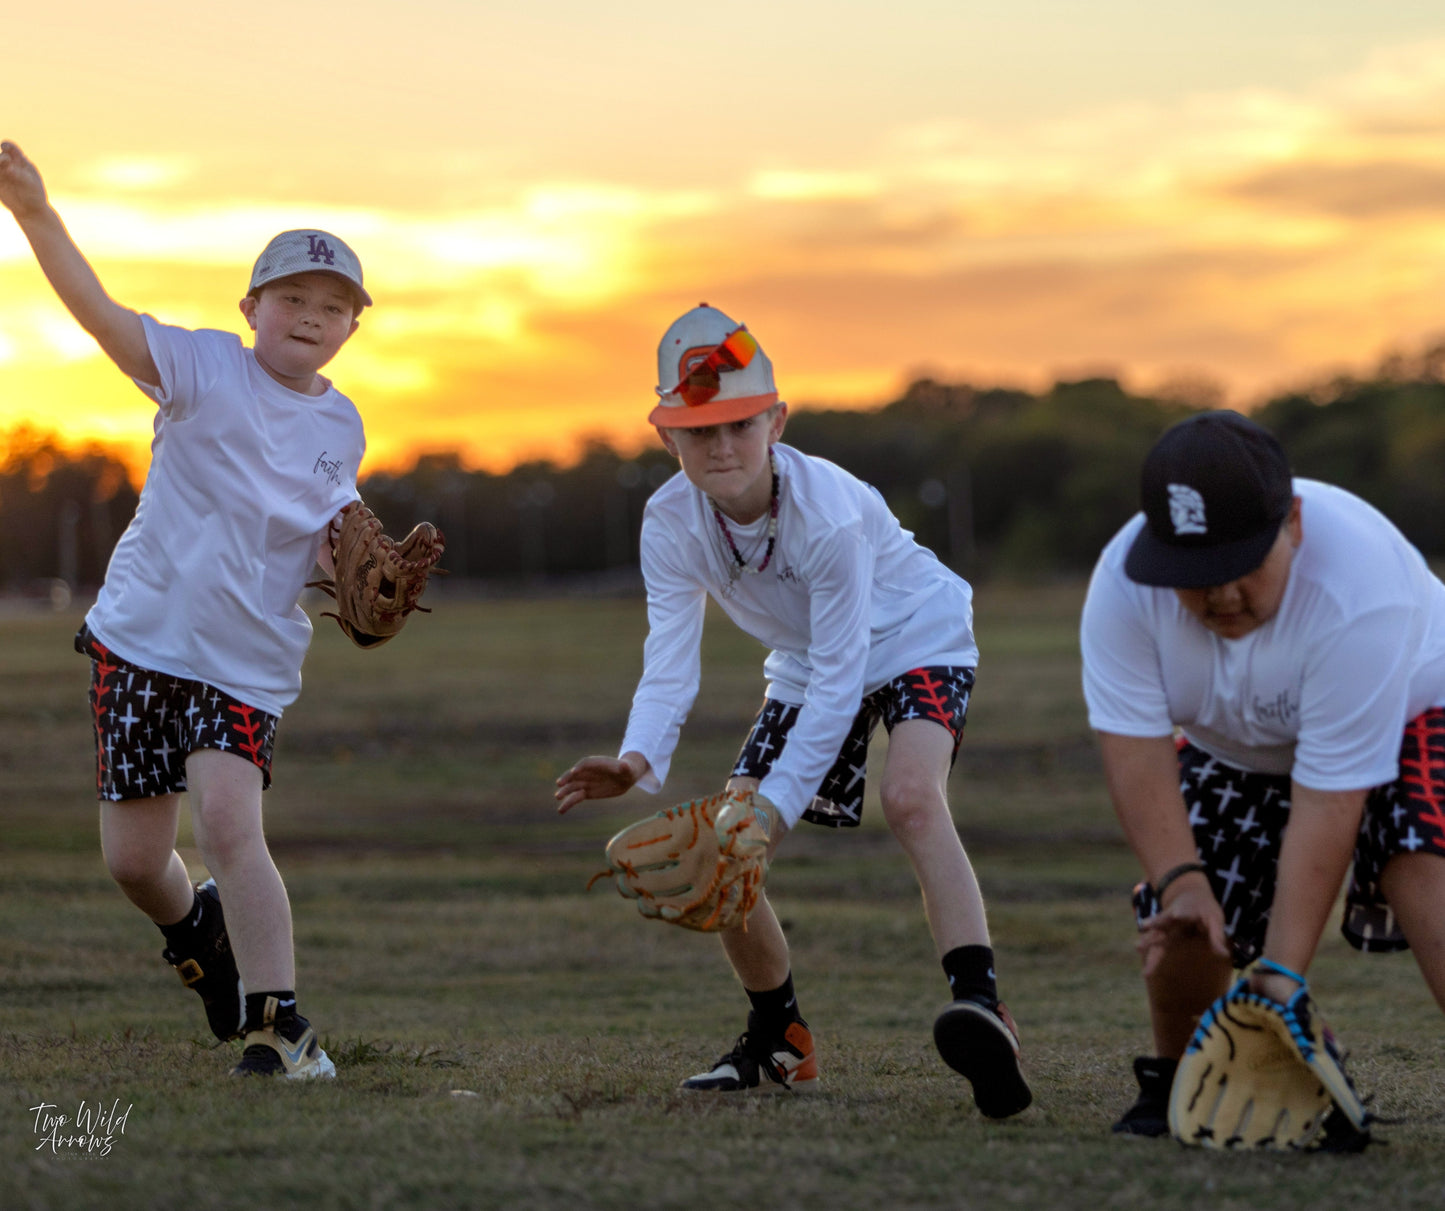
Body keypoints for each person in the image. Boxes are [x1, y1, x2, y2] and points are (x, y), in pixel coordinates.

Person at [555, 304, 1032, 1118]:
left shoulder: (829, 513)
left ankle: (983, 1005)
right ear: (665, 437)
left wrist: (774, 805)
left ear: (776, 418)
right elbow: (670, 654)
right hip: (810, 663)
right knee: (725, 854)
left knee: (911, 798)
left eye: (740, 423)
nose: (722, 446)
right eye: (697, 431)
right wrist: (637, 758)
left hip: (913, 635)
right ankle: (780, 1041)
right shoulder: (667, 520)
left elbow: (849, 678)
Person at [0, 139, 374, 1077]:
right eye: (291, 298)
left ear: (350, 330)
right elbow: (99, 317)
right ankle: (193, 926)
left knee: (225, 823)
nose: (310, 317)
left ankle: (282, 1024)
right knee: (134, 860)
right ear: (250, 308)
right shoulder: (203, 369)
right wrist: (35, 214)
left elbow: (325, 540)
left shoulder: (344, 424)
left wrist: (349, 572)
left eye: (333, 308)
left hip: (246, 659)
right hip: (141, 639)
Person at [1080, 409, 1445, 1135]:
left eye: (1238, 568)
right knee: (1178, 910)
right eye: (1194, 576)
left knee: (1414, 855)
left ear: (1294, 525)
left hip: (1414, 706)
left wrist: (1279, 980)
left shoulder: (1356, 589)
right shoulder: (1124, 587)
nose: (1219, 597)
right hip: (1238, 742)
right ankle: (1185, 1077)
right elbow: (1135, 748)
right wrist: (1181, 881)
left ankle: (1280, 1021)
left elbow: (1329, 800)